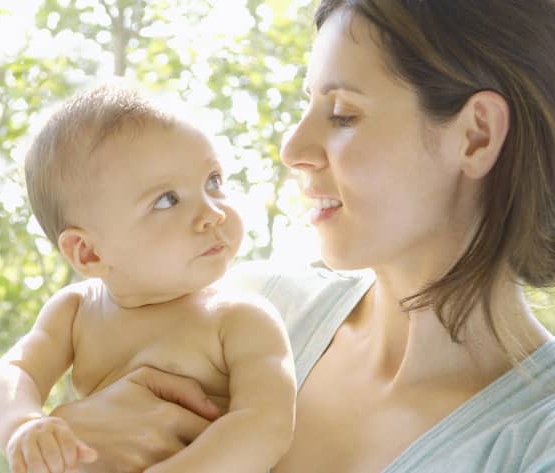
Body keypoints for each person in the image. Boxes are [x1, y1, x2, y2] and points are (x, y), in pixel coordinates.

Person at [43, 1, 555, 472]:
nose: (292, 148)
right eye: (306, 105)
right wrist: (71, 434)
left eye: (343, 114)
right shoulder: (240, 306)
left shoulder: (536, 440)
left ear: (476, 135)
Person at [0, 86, 296, 473]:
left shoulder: (240, 319)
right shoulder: (76, 312)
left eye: (213, 181)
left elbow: (266, 424)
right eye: (167, 200)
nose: (213, 212)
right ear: (89, 253)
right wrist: (22, 425)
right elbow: (14, 372)